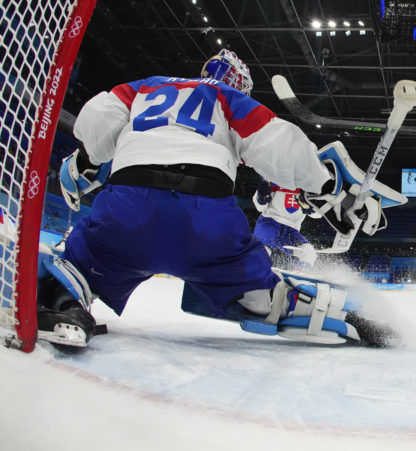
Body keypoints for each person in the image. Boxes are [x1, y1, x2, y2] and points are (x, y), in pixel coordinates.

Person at [37, 48, 392, 348]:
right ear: (239, 83)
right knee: (261, 295)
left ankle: (63, 302)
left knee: (84, 265)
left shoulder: (144, 87)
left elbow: (94, 123)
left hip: (127, 209)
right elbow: (282, 145)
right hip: (204, 220)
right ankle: (340, 316)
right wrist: (331, 188)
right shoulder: (228, 98)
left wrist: (89, 158)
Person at [252, 177, 318, 270]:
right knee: (262, 250)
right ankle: (253, 272)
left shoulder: (310, 182)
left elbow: (319, 214)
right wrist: (260, 198)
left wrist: (312, 208)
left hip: (291, 231)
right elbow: (260, 207)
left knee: (308, 253)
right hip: (270, 223)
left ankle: (300, 276)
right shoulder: (273, 175)